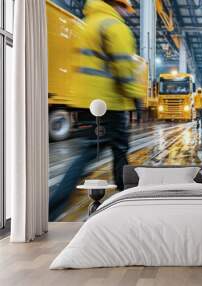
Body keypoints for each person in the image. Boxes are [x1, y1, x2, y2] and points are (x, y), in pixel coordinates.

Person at [49, 0, 143, 214]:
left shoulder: (86, 24)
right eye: (124, 8)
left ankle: (53, 207)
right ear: (116, 5)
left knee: (91, 151)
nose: (126, 13)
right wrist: (136, 97)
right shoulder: (114, 26)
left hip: (85, 101)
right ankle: (126, 199)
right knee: (117, 151)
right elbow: (124, 68)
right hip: (109, 102)